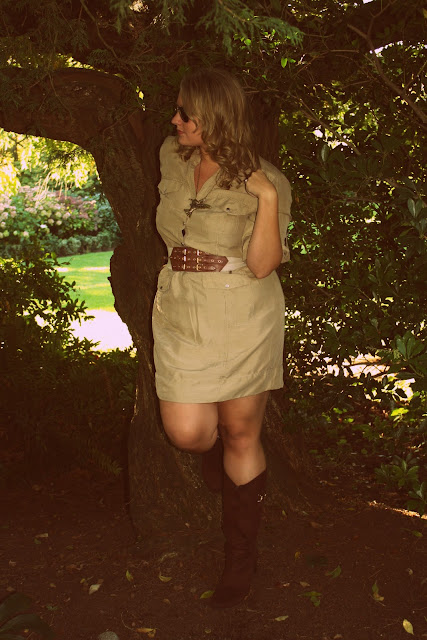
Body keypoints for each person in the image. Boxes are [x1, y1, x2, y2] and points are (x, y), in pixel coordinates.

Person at [152, 68, 292, 608]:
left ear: (213, 117)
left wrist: (267, 200)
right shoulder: (172, 157)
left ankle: (240, 560)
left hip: (242, 309)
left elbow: (263, 265)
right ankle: (221, 464)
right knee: (188, 432)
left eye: (185, 112)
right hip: (181, 306)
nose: (175, 119)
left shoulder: (269, 180)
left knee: (240, 432)